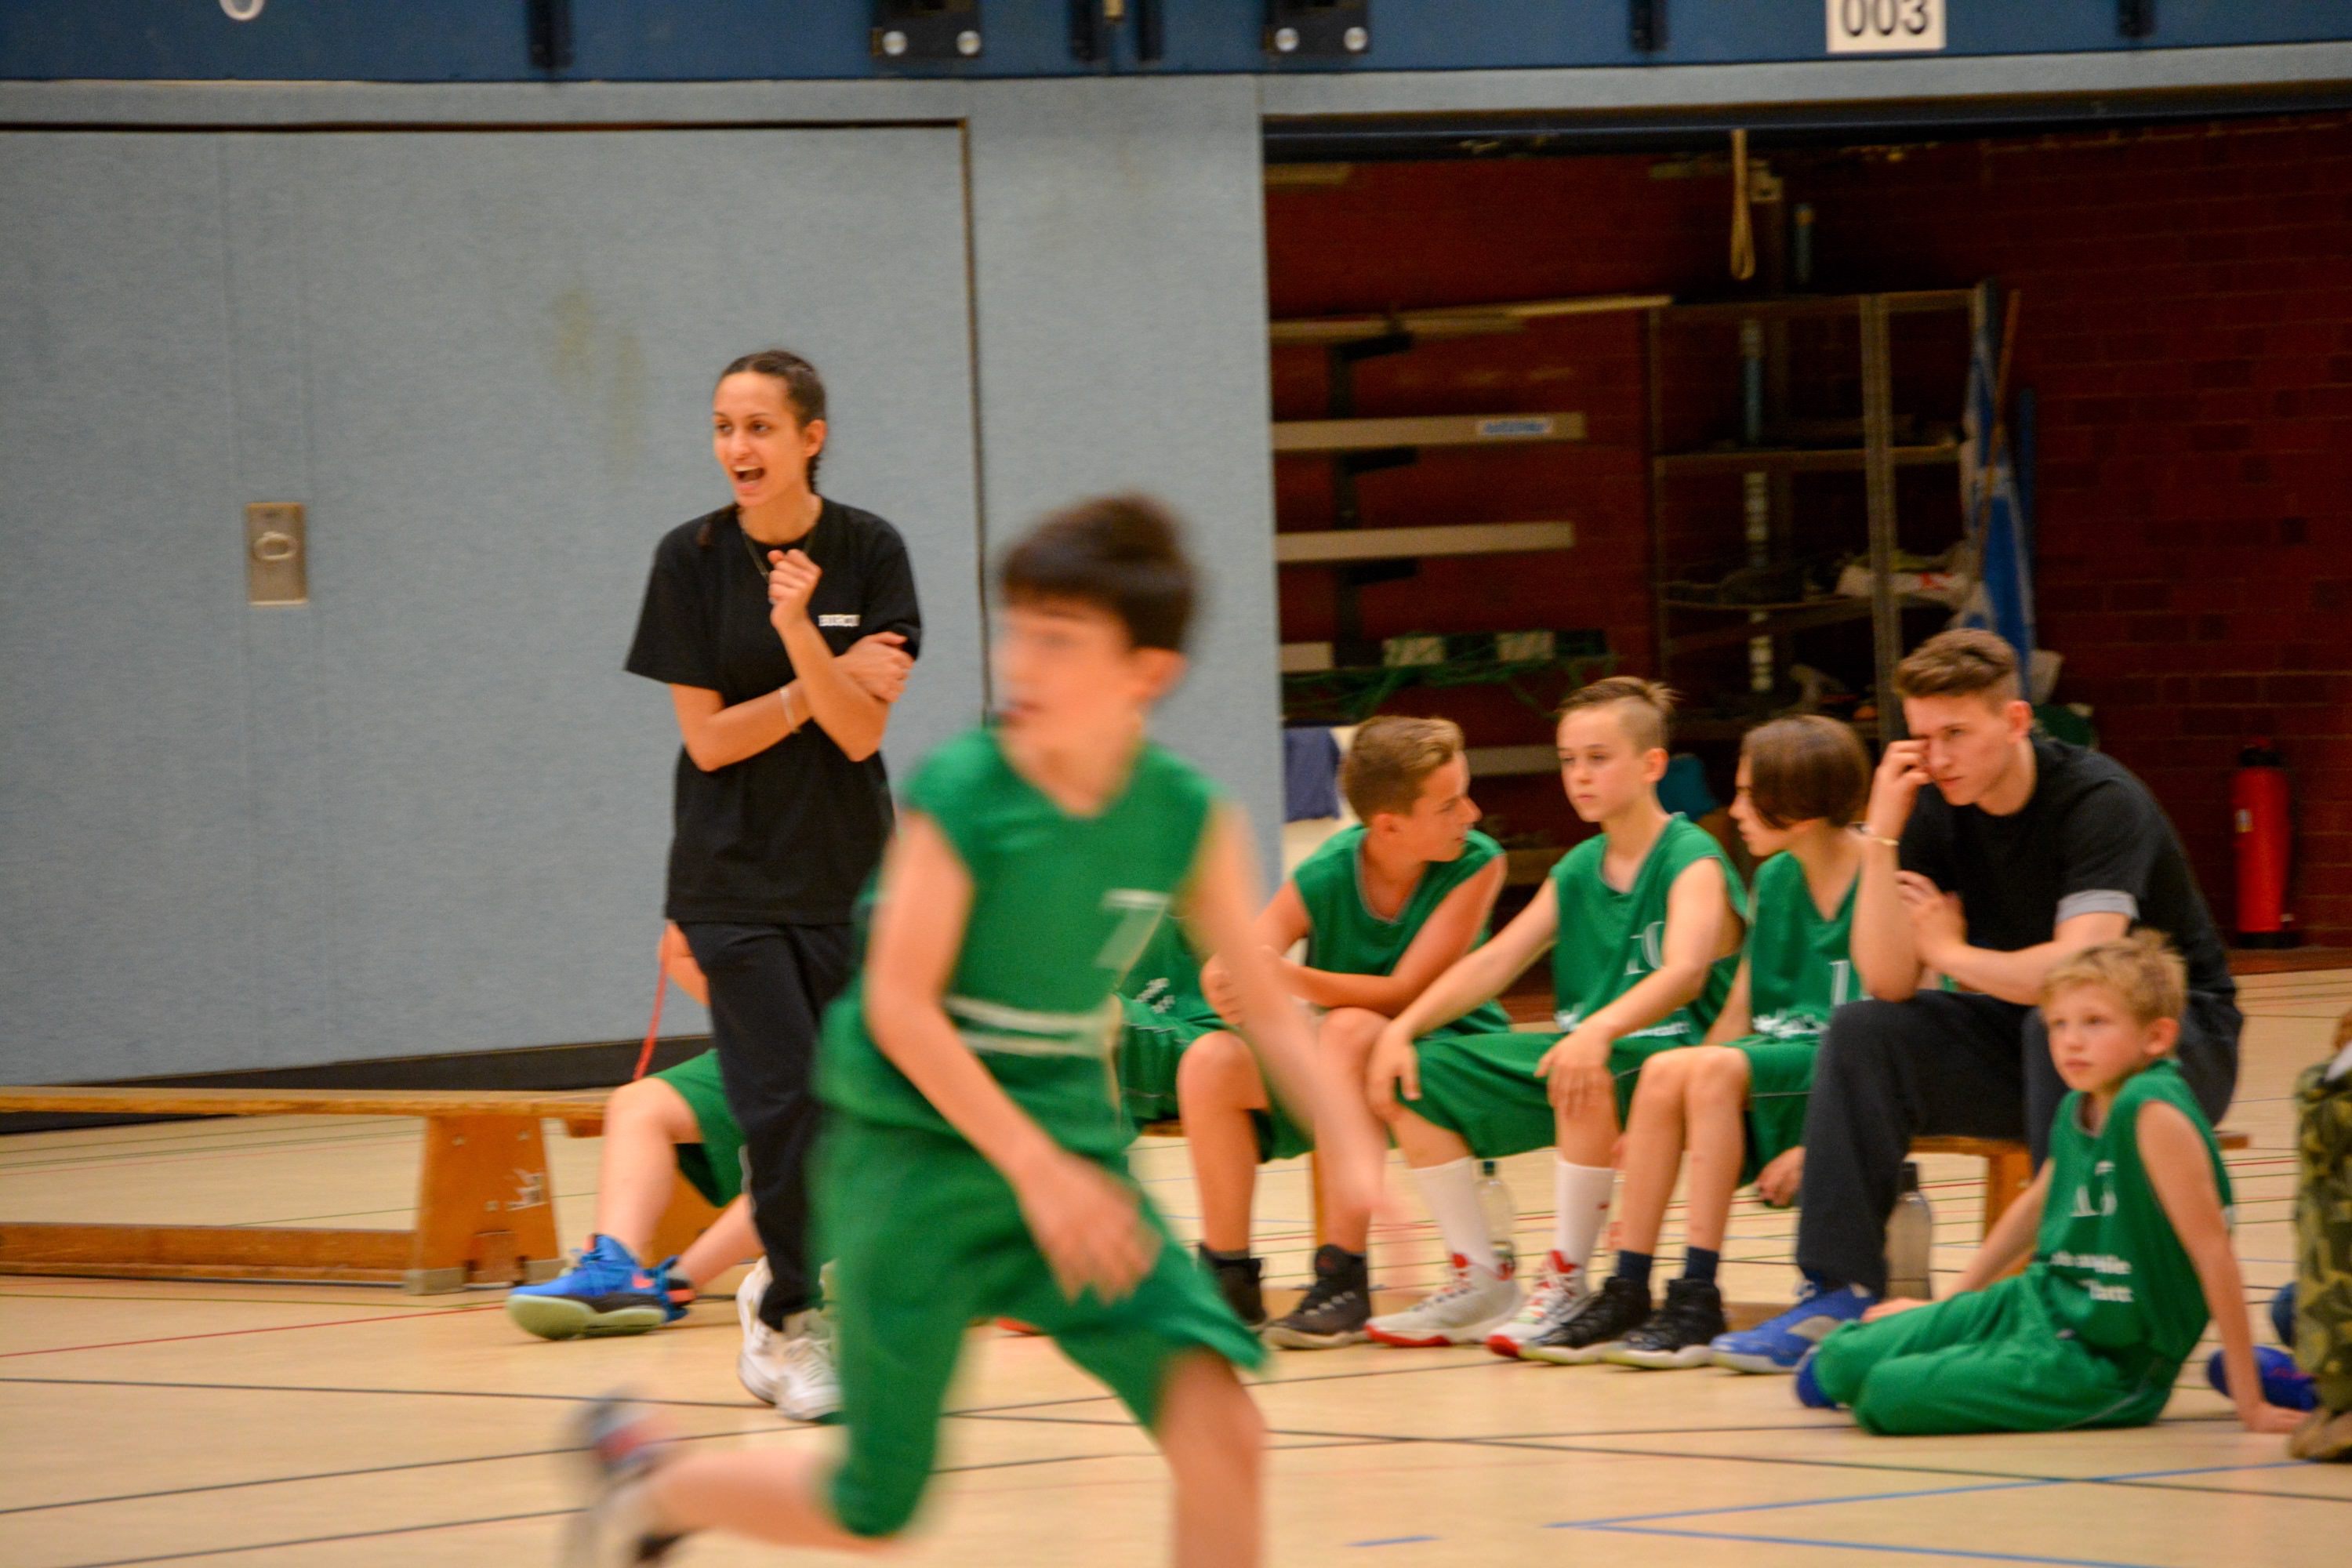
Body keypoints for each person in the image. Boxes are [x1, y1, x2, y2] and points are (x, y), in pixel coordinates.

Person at [565, 495, 1381, 1568]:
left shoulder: (1185, 814)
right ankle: (653, 1484)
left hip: (1069, 1158)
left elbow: (1266, 1000)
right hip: (914, 1165)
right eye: (1018, 630)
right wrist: (1035, 1171)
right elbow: (900, 1009)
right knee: (876, 1503)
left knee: (1225, 1433)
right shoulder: (965, 790)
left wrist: (1349, 1138)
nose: (1021, 662)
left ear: (1147, 671)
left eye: (1060, 639)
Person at [1715, 629, 2242, 1373]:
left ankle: (2058, 1297)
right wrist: (1882, 837)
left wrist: (1954, 954)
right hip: (2038, 1029)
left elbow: (2080, 974)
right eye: (1921, 738)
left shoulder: (2099, 801)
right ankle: (1837, 1293)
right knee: (1864, 1031)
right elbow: (1889, 981)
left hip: (2175, 1041)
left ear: (2017, 721)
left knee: (2050, 1027)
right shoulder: (1933, 808)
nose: (1937, 758)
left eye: (1956, 734)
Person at [624, 348, 921, 1419]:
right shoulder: (689, 559)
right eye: (723, 427)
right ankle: (793, 1320)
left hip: (848, 878)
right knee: (783, 1099)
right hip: (730, 881)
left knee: (846, 1103)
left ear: (810, 436)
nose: (737, 447)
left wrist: (799, 632)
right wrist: (820, 679)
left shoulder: (870, 550)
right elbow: (708, 741)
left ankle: (782, 1283)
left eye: (758, 427)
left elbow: (863, 734)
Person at [1359, 677, 1746, 1359]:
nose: (1579, 775)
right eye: (1568, 760)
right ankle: (1480, 1277)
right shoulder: (1578, 866)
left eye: (1598, 758)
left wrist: (1598, 1029)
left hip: (1671, 1062)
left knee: (1579, 1062)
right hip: (1587, 1056)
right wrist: (1401, 1027)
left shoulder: (1692, 857)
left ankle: (1566, 1278)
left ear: (1652, 765)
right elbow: (1495, 961)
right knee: (1412, 1074)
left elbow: (1685, 971)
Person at [1795, 935, 2301, 1437]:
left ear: (2157, 1037)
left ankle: (1961, 1366)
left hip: (2105, 1362)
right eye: (2058, 1024)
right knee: (1840, 1358)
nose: (2071, 1041)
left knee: (1885, 1394)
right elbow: (2033, 1211)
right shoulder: (2079, 1104)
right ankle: (1951, 1357)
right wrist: (1949, 1306)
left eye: (2094, 1022)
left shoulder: (2152, 1110)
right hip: (2036, 1305)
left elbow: (2215, 1256)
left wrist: (2251, 1404)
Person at [1177, 715, 1508, 1348]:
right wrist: (1228, 974)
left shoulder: (1478, 863)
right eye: (1449, 804)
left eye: (1465, 794)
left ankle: (1342, 1277)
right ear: (1388, 826)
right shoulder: (1330, 869)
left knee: (1348, 1029)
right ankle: (1227, 1278)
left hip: (1442, 1052)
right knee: (1210, 1060)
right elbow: (1249, 952)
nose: (1471, 813)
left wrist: (1287, 979)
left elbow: (1405, 991)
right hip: (1341, 1070)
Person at [1598, 716, 1869, 1370]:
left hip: (1844, 1068)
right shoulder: (1775, 877)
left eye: (1750, 794)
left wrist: (1819, 1144)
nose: (1736, 810)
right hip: (1778, 1058)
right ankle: (1629, 1283)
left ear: (1800, 804)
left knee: (1712, 1071)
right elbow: (1740, 1008)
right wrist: (1659, 1112)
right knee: (1669, 1069)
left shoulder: (1883, 873)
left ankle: (1699, 1290)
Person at [506, 926, 760, 1338]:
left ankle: (674, 1284)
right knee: (639, 1105)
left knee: (817, 1146)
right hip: (772, 1051)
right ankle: (617, 1274)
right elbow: (676, 950)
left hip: (858, 1054)